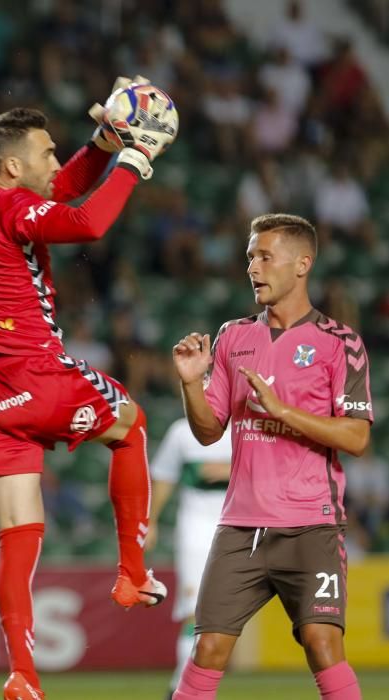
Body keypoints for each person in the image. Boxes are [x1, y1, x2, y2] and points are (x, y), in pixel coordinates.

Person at [0, 80, 177, 700]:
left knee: (18, 536)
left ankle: (23, 672)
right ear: (15, 166)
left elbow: (62, 189)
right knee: (131, 421)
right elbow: (86, 221)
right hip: (33, 374)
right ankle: (132, 572)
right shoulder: (10, 207)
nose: (57, 161)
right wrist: (134, 158)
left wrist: (101, 144)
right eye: (48, 152)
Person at [172, 214, 370, 700]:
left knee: (323, 644)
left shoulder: (339, 343)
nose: (253, 268)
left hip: (311, 525)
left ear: (302, 264)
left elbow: (357, 436)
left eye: (264, 257)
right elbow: (207, 430)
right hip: (240, 527)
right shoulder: (234, 337)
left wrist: (284, 411)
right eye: (249, 258)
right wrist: (190, 383)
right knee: (208, 650)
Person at [146, 418, 231, 700]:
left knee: (222, 613)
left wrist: (232, 470)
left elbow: (274, 466)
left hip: (241, 522)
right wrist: (152, 520)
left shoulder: (246, 426)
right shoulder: (182, 431)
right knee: (195, 610)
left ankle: (190, 687)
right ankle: (181, 688)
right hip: (195, 525)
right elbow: (163, 474)